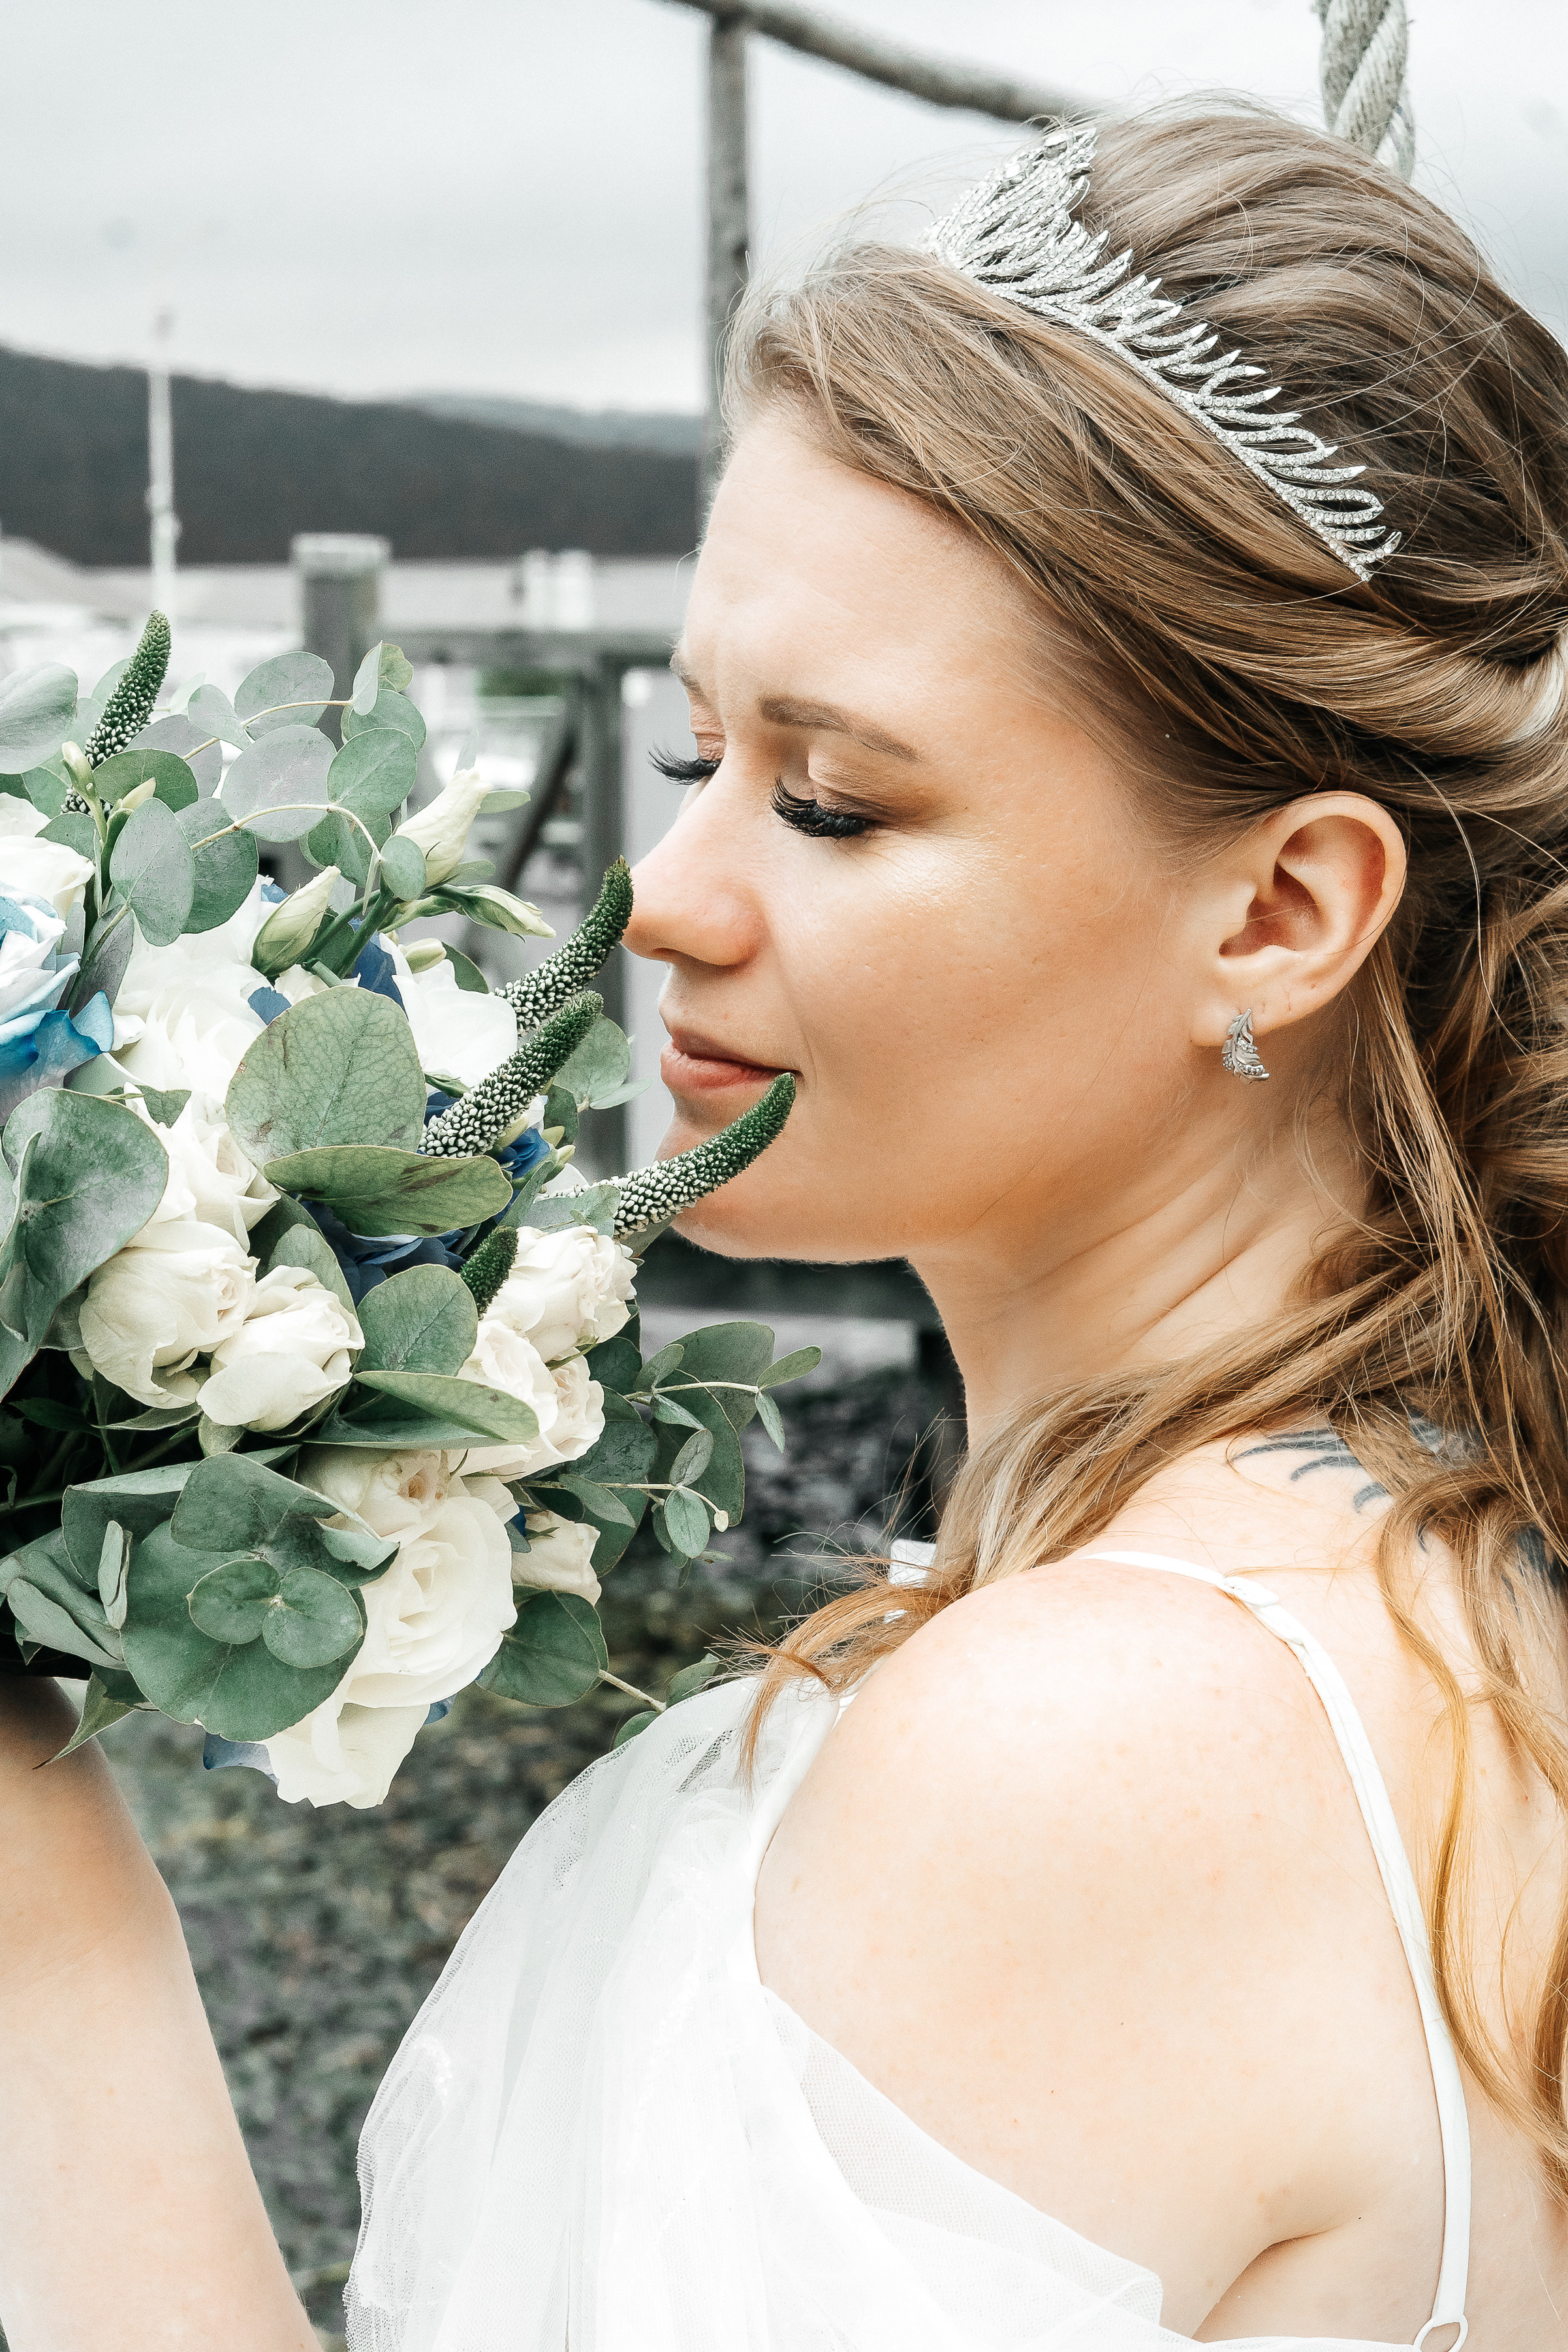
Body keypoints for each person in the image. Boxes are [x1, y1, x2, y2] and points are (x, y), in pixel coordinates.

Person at [5, 99, 1568, 2349]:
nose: (662, 900)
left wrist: (50, 1926)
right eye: (694, 754)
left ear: (1282, 908)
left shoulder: (1093, 1752)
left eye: (833, 800)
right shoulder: (1428, 1583)